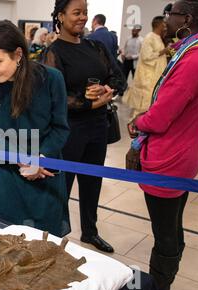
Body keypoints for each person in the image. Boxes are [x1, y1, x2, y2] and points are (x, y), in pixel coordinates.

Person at [128, 0, 198, 290]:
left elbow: (161, 118)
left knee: (165, 235)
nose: (167, 19)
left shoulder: (195, 59)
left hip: (169, 158)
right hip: (186, 153)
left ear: (186, 18)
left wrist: (138, 122)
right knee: (172, 227)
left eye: (170, 14)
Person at [44, 0, 126, 253]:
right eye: (76, 12)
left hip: (98, 127)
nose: (82, 17)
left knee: (92, 182)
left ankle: (90, 231)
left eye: (85, 13)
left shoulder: (96, 46)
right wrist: (88, 103)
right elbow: (54, 97)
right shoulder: (54, 52)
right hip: (70, 130)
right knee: (62, 186)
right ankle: (55, 236)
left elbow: (117, 76)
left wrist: (106, 89)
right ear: (61, 16)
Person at [0, 20, 71, 237]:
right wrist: (18, 158)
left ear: (18, 54)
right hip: (8, 172)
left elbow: (60, 128)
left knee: (44, 243)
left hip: (45, 172)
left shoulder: (50, 79)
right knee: (6, 239)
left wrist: (39, 159)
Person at [123, 16, 169, 119]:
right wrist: (164, 51)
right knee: (142, 106)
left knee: (151, 104)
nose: (166, 26)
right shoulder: (149, 38)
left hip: (154, 76)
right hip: (147, 78)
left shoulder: (158, 38)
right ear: (159, 25)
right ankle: (136, 126)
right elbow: (146, 57)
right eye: (164, 24)